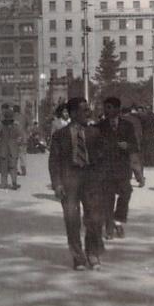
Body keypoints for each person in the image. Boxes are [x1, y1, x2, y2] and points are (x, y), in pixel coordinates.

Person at [49, 96, 109, 270]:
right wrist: (57, 184)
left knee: (94, 219)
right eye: (84, 110)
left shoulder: (95, 133)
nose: (88, 113)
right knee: (72, 220)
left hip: (91, 182)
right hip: (69, 181)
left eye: (88, 110)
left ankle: (93, 254)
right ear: (73, 113)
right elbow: (54, 161)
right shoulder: (60, 135)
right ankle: (78, 258)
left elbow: (102, 158)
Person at [97, 97, 138, 238]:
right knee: (108, 199)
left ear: (117, 109)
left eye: (109, 107)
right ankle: (109, 229)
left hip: (122, 169)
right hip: (106, 169)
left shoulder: (127, 126)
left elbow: (135, 146)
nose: (106, 110)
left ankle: (118, 221)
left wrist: (128, 146)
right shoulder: (100, 126)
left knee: (126, 192)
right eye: (105, 107)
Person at [0, 104, 24, 190]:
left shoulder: (0, 124)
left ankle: (3, 184)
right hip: (13, 148)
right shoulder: (16, 125)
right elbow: (20, 136)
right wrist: (16, 143)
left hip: (3, 148)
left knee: (3, 167)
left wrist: (0, 142)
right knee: (13, 167)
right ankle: (14, 183)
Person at [122, 104, 145, 186]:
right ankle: (140, 178)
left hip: (123, 144)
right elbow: (140, 133)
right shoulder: (136, 120)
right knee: (135, 163)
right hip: (134, 144)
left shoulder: (121, 120)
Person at [137, 105, 154, 169]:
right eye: (146, 109)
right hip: (150, 134)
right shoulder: (152, 115)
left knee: (148, 149)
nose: (147, 110)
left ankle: (149, 162)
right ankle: (150, 162)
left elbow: (145, 124)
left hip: (147, 134)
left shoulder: (147, 116)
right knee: (149, 149)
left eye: (148, 109)